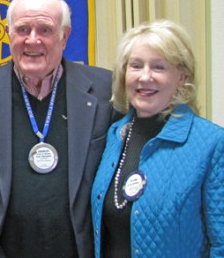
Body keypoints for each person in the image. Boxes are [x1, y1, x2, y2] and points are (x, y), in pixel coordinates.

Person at [0, 0, 118, 257]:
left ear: (64, 37)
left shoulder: (104, 89)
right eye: (22, 30)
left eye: (45, 29)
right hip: (2, 251)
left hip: (80, 249)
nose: (32, 40)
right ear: (8, 34)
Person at [91, 19, 224, 257]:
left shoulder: (212, 143)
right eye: (136, 66)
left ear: (182, 76)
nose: (145, 77)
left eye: (158, 67)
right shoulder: (113, 136)